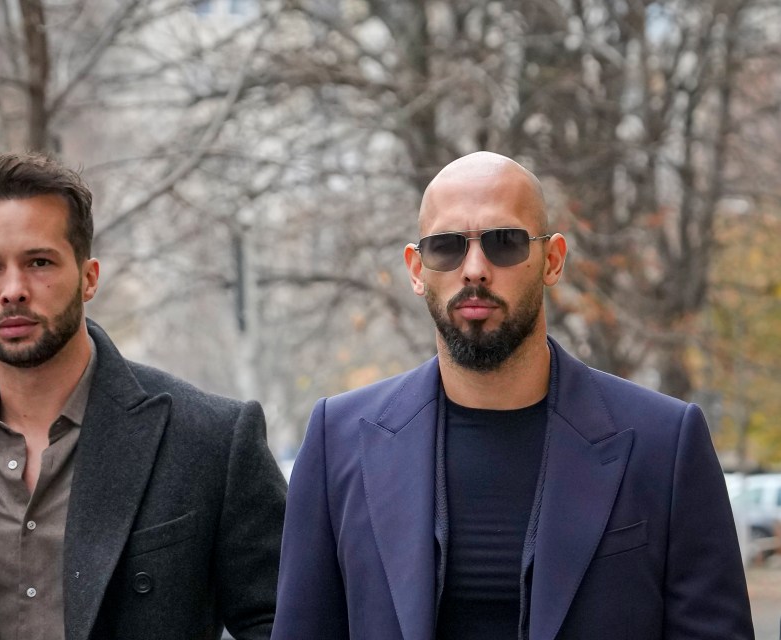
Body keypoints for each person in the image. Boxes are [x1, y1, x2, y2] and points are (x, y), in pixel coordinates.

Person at [272, 151, 753, 639]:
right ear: (417, 270)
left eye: (505, 243)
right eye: (447, 246)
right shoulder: (339, 442)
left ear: (553, 260)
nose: (475, 269)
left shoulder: (665, 444)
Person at [0, 152, 287, 640]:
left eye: (39, 262)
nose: (12, 290)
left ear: (88, 278)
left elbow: (286, 620)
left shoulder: (209, 440)